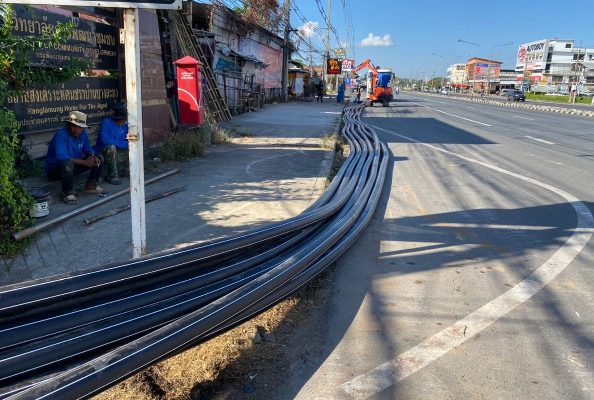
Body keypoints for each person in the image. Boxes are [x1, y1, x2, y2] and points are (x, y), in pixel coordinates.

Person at [45, 111, 103, 205]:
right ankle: (67, 193)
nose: (77, 130)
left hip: (72, 167)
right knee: (67, 163)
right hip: (55, 170)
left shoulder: (83, 134)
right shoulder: (61, 134)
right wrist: (84, 162)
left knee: (98, 158)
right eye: (74, 126)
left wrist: (93, 157)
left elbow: (88, 150)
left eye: (80, 127)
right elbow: (62, 157)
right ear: (68, 125)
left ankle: (91, 186)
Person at [93, 103, 128, 185]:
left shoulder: (126, 126)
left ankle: (127, 170)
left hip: (119, 151)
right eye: (121, 120)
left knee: (134, 146)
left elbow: (129, 142)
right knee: (111, 147)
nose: (122, 121)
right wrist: (121, 143)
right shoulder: (106, 123)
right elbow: (105, 141)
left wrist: (122, 144)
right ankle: (112, 176)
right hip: (103, 152)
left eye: (124, 119)